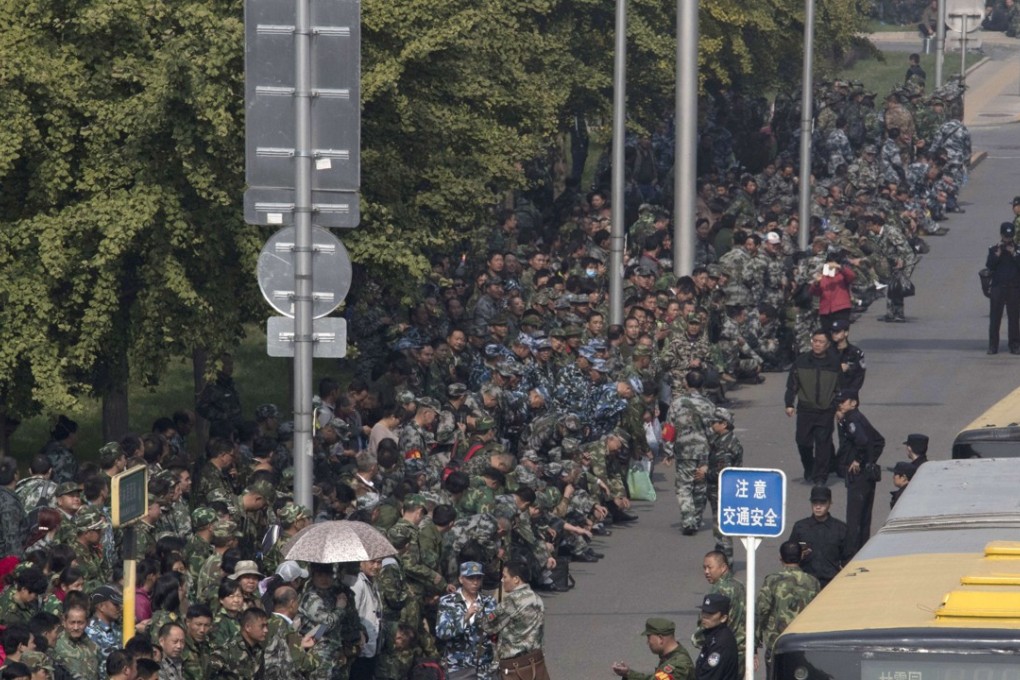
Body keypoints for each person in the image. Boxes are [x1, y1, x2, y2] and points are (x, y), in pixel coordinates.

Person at [753, 541, 820, 678]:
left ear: (780, 558)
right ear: (801, 556)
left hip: (777, 643)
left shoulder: (772, 581)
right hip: (804, 644)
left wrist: (754, 644)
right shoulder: (813, 582)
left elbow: (761, 611)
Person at [784, 330, 842, 484]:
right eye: (815, 341)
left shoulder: (834, 364)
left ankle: (820, 476)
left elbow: (840, 388)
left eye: (821, 342)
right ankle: (809, 467)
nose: (817, 344)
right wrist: (789, 404)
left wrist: (838, 407)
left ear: (828, 345)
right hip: (805, 410)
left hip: (825, 411)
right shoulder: (802, 361)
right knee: (803, 442)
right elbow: (792, 385)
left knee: (823, 445)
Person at [834, 390, 885, 557]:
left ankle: (852, 553)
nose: (840, 404)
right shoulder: (856, 417)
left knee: (854, 516)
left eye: (844, 401)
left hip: (858, 475)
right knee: (864, 515)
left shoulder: (851, 419)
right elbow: (878, 440)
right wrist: (871, 461)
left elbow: (861, 441)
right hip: (866, 474)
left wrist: (859, 460)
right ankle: (864, 548)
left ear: (853, 402)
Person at [481, 560, 549, 680]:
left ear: (516, 579)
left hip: (514, 667)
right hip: (536, 662)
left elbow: (488, 626)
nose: (502, 580)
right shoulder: (536, 598)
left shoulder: (511, 601)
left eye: (505, 576)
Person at [435, 561, 498, 680]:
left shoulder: (489, 602)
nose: (475, 582)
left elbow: (496, 631)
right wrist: (464, 618)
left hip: (484, 667)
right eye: (470, 578)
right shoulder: (448, 602)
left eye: (478, 578)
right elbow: (442, 632)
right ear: (461, 579)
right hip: (459, 667)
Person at [788, 486, 849, 588]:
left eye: (822, 503)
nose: (818, 507)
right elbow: (790, 555)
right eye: (815, 503)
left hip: (831, 583)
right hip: (805, 583)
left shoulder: (840, 529)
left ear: (830, 503)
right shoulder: (800, 527)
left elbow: (848, 557)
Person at [611, 617, 694, 680]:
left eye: (649, 638)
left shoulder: (678, 665)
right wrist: (628, 673)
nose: (648, 642)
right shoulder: (671, 656)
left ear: (660, 639)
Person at [985, 222, 1020, 354]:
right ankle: (993, 345)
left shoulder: (1017, 249)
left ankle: (1015, 344)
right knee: (995, 317)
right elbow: (989, 265)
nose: (1008, 240)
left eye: (1010, 237)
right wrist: (997, 254)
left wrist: (1014, 254)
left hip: (1014, 287)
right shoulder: (994, 249)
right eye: (1006, 237)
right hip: (998, 287)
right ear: (1001, 235)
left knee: (1014, 318)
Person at [694, 594, 738, 680]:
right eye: (704, 611)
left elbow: (709, 676)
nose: (704, 616)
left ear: (723, 618)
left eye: (710, 613)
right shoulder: (712, 634)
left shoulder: (721, 642)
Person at [828, 319, 865, 393]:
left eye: (837, 332)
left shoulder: (855, 353)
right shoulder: (827, 352)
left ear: (846, 333)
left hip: (848, 392)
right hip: (830, 393)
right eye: (833, 332)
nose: (834, 334)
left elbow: (859, 375)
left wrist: (851, 392)